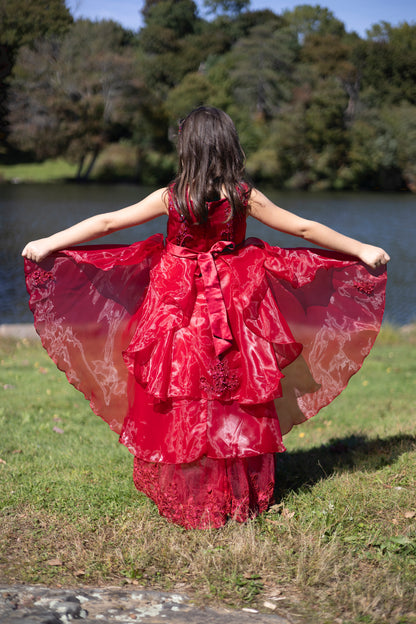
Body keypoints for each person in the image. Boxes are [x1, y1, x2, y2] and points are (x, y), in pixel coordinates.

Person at [22, 106, 390, 529]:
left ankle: (192, 490)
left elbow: (107, 222)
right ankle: (238, 493)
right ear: (229, 146)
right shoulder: (242, 195)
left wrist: (51, 241)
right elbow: (303, 229)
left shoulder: (172, 196)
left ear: (188, 149)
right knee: (235, 387)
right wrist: (361, 248)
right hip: (237, 300)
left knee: (186, 388)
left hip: (178, 303)